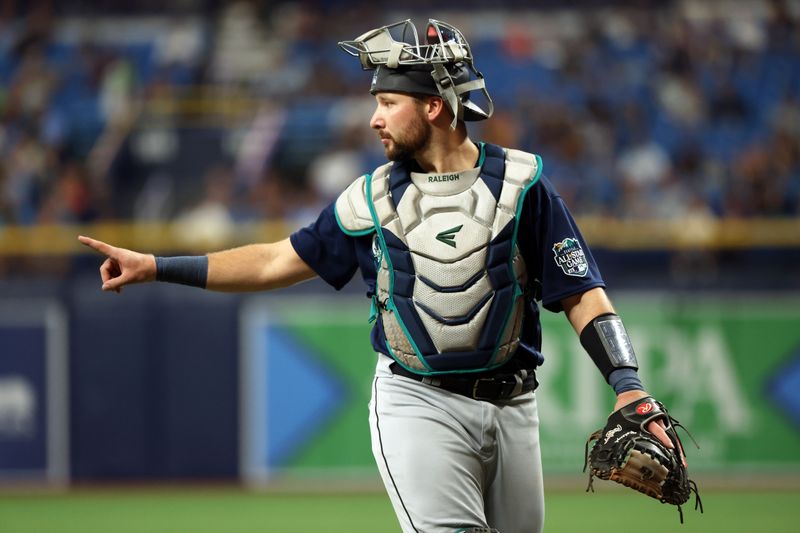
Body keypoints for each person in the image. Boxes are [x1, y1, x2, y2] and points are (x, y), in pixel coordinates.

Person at [79, 19, 680, 533]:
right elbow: (272, 261)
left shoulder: (522, 187)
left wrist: (628, 383)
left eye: (388, 102)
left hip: (513, 406)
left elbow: (583, 295)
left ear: (435, 107)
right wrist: (157, 266)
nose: (374, 119)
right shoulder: (368, 201)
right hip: (417, 403)